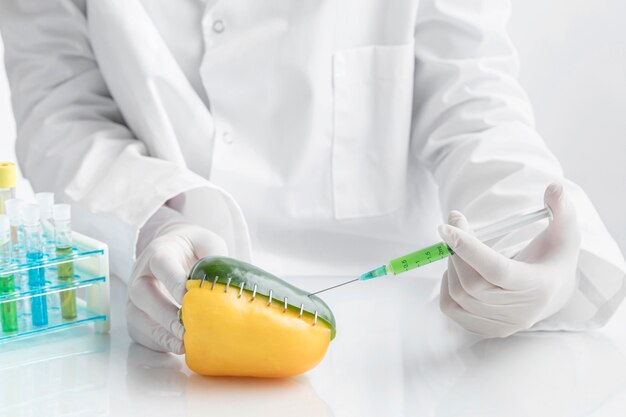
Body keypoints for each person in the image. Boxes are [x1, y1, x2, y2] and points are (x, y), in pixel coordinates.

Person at [0, 0, 624, 354]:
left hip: (397, 336)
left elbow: (474, 100)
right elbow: (63, 113)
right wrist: (159, 219)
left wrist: (536, 252)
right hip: (160, 315)